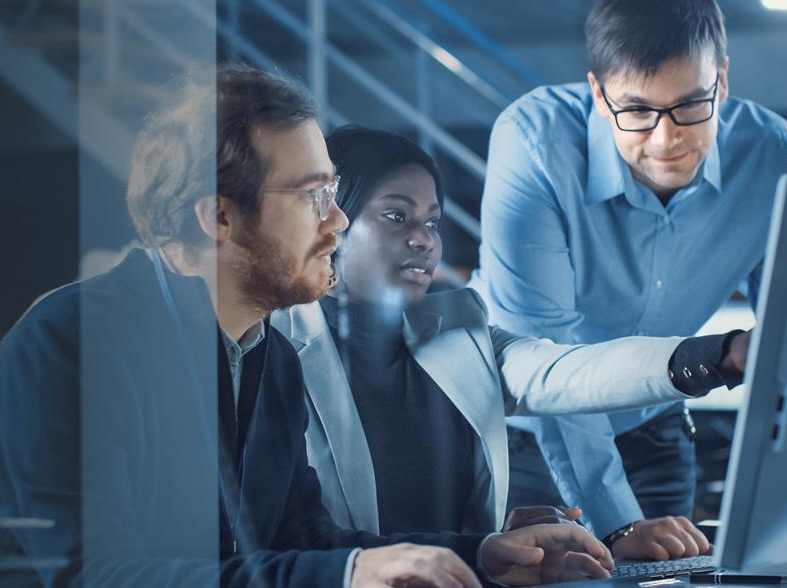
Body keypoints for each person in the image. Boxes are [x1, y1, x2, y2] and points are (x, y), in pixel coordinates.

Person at [0, 64, 615, 588]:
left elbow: (304, 542)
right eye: (314, 197)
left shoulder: (268, 352)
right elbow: (96, 575)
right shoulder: (72, 343)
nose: (340, 222)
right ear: (219, 218)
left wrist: (483, 557)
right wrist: (346, 577)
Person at [272, 125, 749, 544]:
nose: (425, 239)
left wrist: (720, 355)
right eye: (397, 216)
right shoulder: (271, 346)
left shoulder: (461, 327)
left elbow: (567, 372)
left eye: (432, 222)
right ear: (332, 222)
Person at [468, 0, 787, 561]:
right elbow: (545, 360)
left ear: (722, 81)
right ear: (600, 95)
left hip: (656, 421)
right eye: (637, 111)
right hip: (527, 434)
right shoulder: (533, 142)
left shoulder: (773, 152)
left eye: (691, 104)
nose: (666, 138)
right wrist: (619, 523)